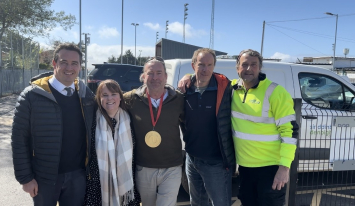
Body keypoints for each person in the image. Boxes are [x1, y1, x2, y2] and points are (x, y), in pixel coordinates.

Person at [11, 43, 96, 206]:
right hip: (44, 178)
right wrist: (26, 179)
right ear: (54, 63)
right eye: (64, 62)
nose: (69, 68)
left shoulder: (86, 95)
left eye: (74, 63)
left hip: (78, 177)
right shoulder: (31, 96)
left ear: (80, 66)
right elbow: (19, 140)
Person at [231, 49, 298, 206]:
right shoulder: (233, 88)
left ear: (260, 67)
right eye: (244, 64)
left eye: (253, 65)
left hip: (271, 169)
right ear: (237, 68)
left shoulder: (276, 92)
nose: (248, 69)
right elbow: (207, 77)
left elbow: (290, 133)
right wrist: (188, 77)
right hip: (245, 168)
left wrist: (284, 169)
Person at [123, 57, 185, 206]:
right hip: (144, 167)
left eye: (159, 73)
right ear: (143, 77)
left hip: (172, 167)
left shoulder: (179, 99)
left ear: (165, 76)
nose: (155, 77)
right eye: (150, 73)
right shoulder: (130, 99)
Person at [177, 48, 235, 206]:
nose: (205, 69)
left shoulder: (225, 88)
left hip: (216, 162)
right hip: (192, 157)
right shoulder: (185, 89)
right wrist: (186, 77)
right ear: (193, 65)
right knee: (197, 202)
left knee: (220, 203)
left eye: (210, 65)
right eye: (201, 64)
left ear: (215, 66)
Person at [83, 79, 141, 206]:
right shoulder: (92, 120)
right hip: (98, 183)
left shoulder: (130, 119)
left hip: (125, 179)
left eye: (113, 94)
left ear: (120, 97)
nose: (109, 98)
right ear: (99, 98)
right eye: (105, 95)